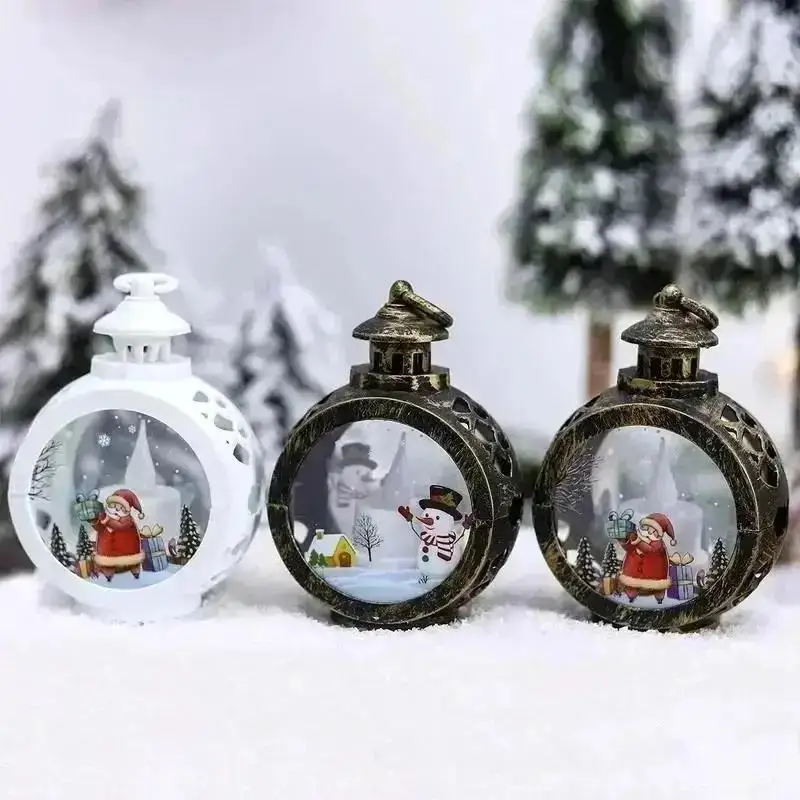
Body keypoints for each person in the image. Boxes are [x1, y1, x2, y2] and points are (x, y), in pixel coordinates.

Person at [91, 488, 145, 582]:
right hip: (107, 552)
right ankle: (108, 572)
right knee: (107, 564)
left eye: (121, 508)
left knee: (132, 562)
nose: (116, 509)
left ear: (126, 510)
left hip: (127, 551)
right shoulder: (104, 517)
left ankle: (134, 571)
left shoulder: (127, 521)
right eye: (113, 505)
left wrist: (107, 521)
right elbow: (99, 528)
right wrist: (94, 521)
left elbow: (120, 526)